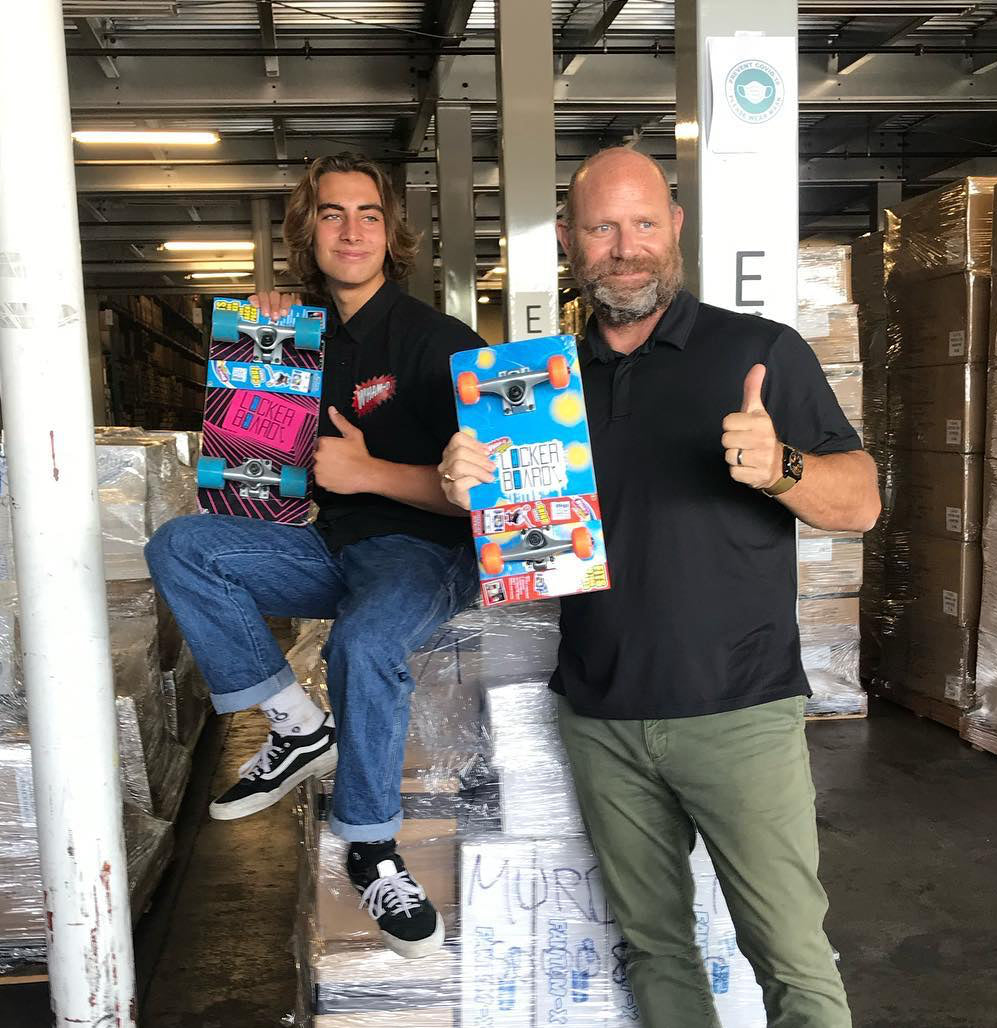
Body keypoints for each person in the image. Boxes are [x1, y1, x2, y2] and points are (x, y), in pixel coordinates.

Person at [438, 146, 879, 1026]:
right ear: (569, 239)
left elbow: (862, 501)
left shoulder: (757, 352)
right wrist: (465, 484)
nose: (625, 247)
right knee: (655, 950)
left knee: (792, 957)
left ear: (676, 229)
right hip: (601, 714)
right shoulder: (538, 385)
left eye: (644, 223)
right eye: (602, 227)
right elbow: (523, 540)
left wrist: (781, 465)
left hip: (738, 712)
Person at [147, 153, 481, 959]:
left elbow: (485, 503)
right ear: (310, 232)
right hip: (326, 545)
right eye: (332, 214)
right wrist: (255, 347)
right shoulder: (294, 340)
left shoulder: (443, 344)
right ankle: (297, 729)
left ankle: (370, 846)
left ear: (393, 232)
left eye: (369, 213)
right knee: (182, 545)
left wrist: (369, 473)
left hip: (422, 552)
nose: (352, 229)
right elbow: (262, 463)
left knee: (363, 642)